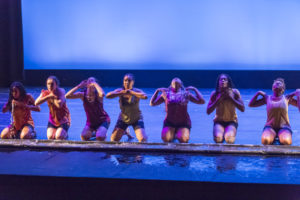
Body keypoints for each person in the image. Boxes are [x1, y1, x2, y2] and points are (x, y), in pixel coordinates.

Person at [150, 77, 205, 143]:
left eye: (177, 81)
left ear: (181, 84)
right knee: (166, 139)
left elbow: (202, 101)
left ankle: (178, 133)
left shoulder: (186, 94)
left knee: (183, 139)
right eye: (174, 81)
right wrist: (157, 91)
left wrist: (194, 89)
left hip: (183, 122)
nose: (176, 79)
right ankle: (174, 133)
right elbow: (152, 103)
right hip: (169, 122)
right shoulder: (166, 94)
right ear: (171, 84)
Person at [249, 78, 298, 145]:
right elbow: (251, 104)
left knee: (286, 141)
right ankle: (273, 138)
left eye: (280, 83)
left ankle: (279, 139)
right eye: (275, 83)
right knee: (265, 140)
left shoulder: (287, 98)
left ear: (283, 89)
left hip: (284, 127)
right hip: (270, 127)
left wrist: (298, 94)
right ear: (272, 88)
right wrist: (258, 93)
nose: (277, 83)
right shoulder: (267, 98)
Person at [106, 73, 147, 142]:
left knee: (143, 139)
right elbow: (108, 95)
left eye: (129, 80)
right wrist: (122, 93)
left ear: (132, 82)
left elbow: (145, 96)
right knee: (113, 140)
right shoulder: (120, 91)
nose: (127, 82)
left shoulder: (136, 91)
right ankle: (125, 131)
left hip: (136, 118)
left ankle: (125, 130)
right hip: (124, 118)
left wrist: (132, 92)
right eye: (125, 80)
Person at [207, 74, 245, 144]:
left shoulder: (234, 92)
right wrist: (217, 100)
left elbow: (242, 109)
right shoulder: (215, 94)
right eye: (221, 79)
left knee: (229, 140)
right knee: (218, 139)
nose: (223, 81)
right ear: (218, 82)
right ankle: (221, 134)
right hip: (219, 121)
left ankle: (227, 133)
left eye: (225, 79)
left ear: (228, 82)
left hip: (231, 121)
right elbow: (208, 111)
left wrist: (231, 98)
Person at [35, 76, 70, 140]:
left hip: (63, 120)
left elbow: (59, 105)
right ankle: (58, 131)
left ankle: (65, 134)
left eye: (52, 84)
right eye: (48, 84)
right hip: (53, 120)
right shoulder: (46, 93)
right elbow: (36, 103)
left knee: (58, 137)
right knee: (50, 137)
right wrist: (48, 96)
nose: (50, 86)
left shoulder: (61, 91)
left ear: (56, 84)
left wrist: (53, 97)